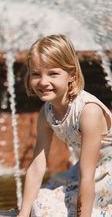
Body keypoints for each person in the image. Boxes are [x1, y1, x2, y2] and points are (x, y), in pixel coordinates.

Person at [17, 35, 112, 217]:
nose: (43, 82)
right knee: (39, 201)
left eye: (53, 73)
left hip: (105, 171)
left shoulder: (88, 111)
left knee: (55, 207)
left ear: (72, 75)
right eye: (36, 74)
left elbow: (87, 175)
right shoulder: (47, 113)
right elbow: (37, 166)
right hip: (90, 169)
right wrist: (22, 213)